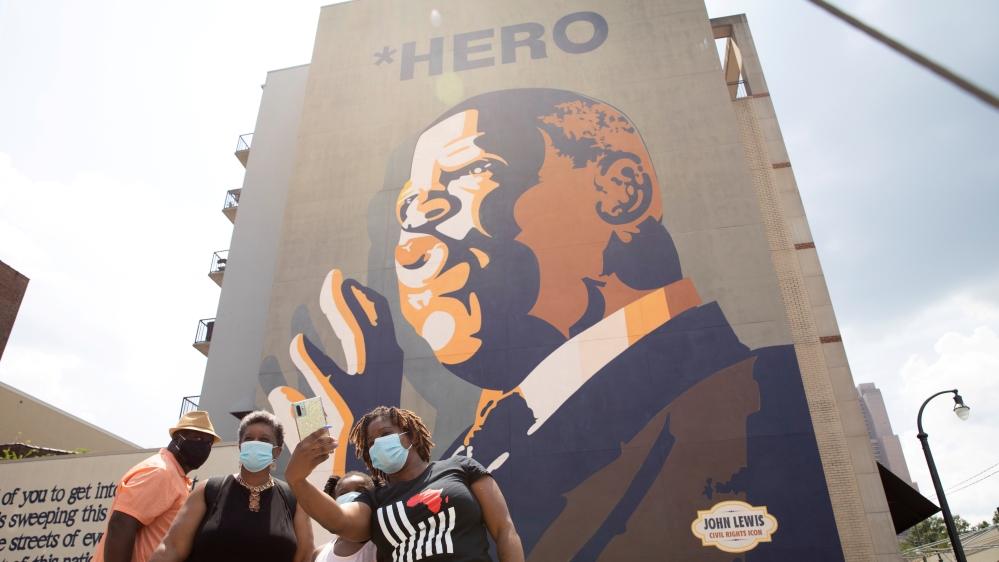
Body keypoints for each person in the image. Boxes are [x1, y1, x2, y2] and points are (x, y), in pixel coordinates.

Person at [287, 88, 842, 559]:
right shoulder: (476, 444)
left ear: (621, 191)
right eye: (410, 210)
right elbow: (362, 533)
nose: (412, 245)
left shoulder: (769, 395)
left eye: (465, 179)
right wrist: (340, 461)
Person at [286, 406, 524, 562]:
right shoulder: (374, 500)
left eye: (386, 433)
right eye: (371, 442)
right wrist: (297, 480)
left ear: (411, 436)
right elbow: (338, 519)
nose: (378, 443)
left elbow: (504, 529)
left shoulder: (461, 468)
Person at [148, 411, 315, 562]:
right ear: (241, 446)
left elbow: (303, 557)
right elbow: (171, 548)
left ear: (277, 451)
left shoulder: (294, 498)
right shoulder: (209, 490)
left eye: (264, 440)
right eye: (249, 439)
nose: (255, 444)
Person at [94, 411, 220, 562]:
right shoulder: (160, 471)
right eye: (197, 438)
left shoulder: (175, 477)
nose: (203, 446)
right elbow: (121, 524)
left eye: (208, 443)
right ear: (176, 439)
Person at [312, 472, 377, 562]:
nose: (352, 496)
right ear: (333, 500)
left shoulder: (378, 548)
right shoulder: (319, 553)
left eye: (361, 491)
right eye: (343, 494)